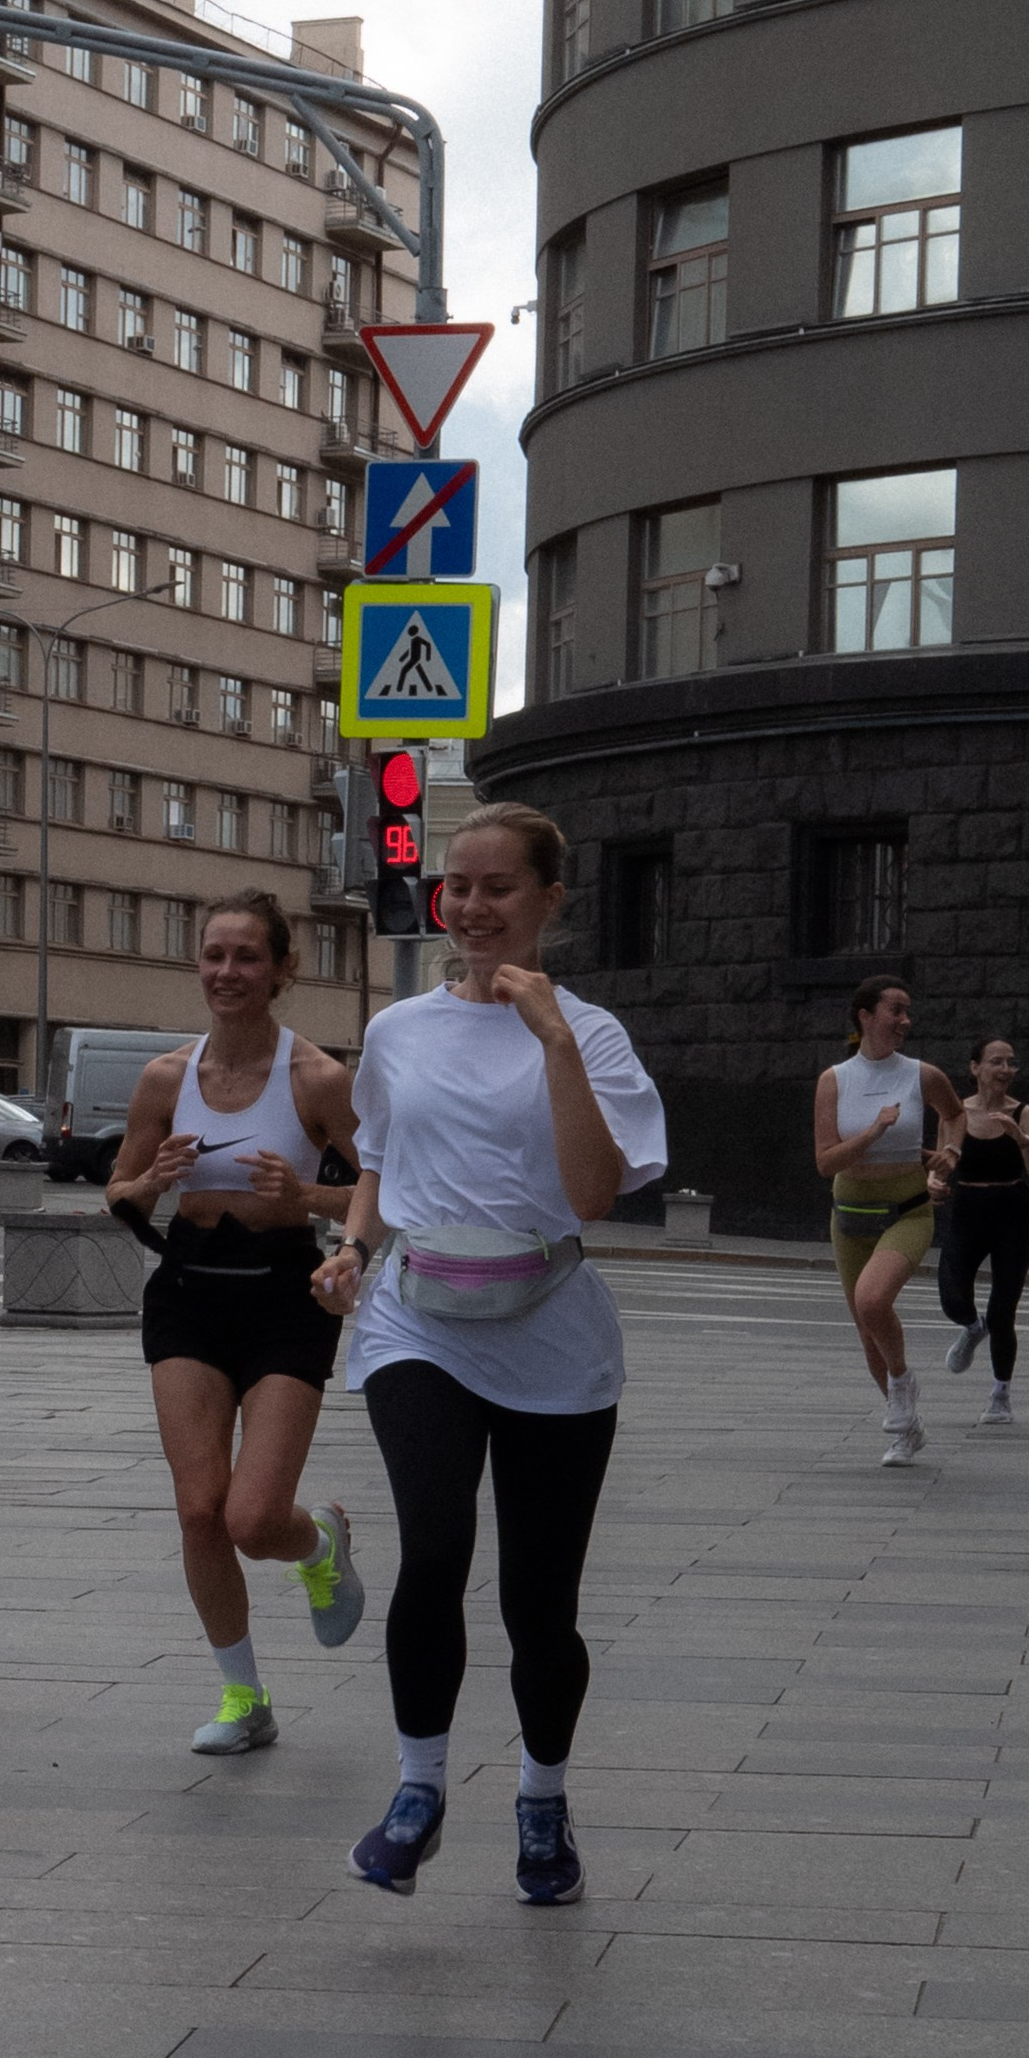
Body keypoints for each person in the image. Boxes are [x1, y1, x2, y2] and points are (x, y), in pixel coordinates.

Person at [311, 803, 666, 1907]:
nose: (467, 907)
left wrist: (553, 1037)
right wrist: (354, 1247)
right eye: (455, 886)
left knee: (537, 1604)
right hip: (417, 1320)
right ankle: (416, 1790)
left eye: (496, 887)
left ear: (549, 900)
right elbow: (378, 1155)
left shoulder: (592, 1035)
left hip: (551, 1330)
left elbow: (597, 1192)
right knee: (435, 1544)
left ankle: (542, 1799)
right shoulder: (398, 1029)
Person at [105, 892, 366, 1753]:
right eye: (214, 955)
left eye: (247, 957)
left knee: (255, 1520)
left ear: (284, 969)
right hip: (188, 1289)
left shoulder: (317, 1080)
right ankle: (243, 1698)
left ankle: (319, 1540)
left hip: (283, 1295)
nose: (227, 972)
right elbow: (120, 1189)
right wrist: (149, 1185)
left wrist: (309, 1198)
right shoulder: (166, 1079)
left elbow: (384, 1186)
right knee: (198, 1510)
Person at [813, 978, 960, 1466]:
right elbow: (826, 1162)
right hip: (850, 1214)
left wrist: (951, 1151)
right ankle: (905, 1427)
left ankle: (901, 1381)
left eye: (907, 1011)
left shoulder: (922, 1074)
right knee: (865, 1330)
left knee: (873, 1301)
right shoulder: (834, 1079)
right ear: (865, 1016)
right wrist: (874, 1130)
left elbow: (955, 1115)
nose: (905, 1020)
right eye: (896, 1010)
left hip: (908, 1210)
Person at [935, 1037, 1029, 1424]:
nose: (1004, 1070)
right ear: (974, 1067)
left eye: (1011, 1063)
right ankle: (970, 1327)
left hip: (1012, 1214)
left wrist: (1022, 1142)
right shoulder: (955, 1113)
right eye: (996, 1061)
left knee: (1003, 1311)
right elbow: (940, 1166)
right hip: (967, 1210)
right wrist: (933, 1183)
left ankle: (1000, 1396)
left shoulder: (1026, 1114)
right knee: (951, 1295)